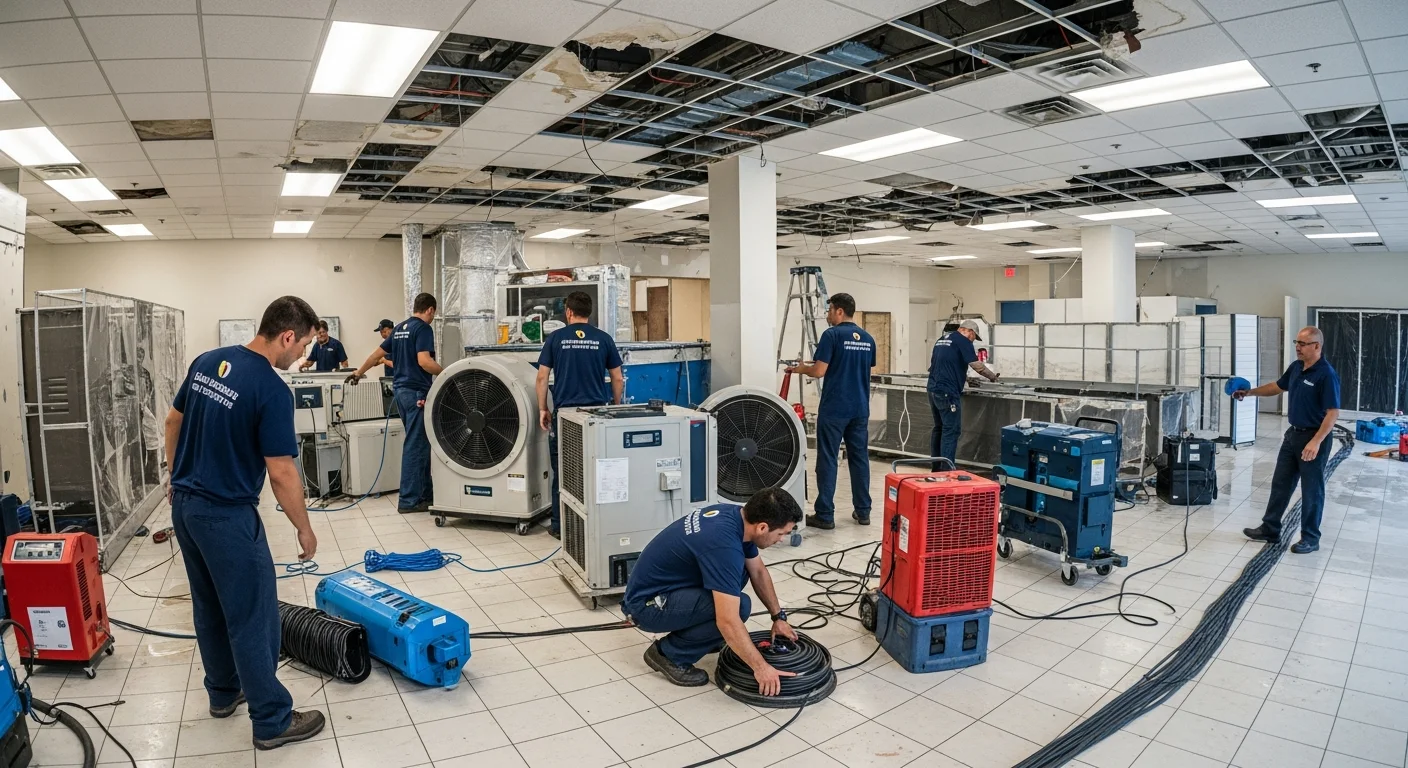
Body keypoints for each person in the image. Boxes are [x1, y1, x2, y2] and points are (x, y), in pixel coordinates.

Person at [164, 296, 325, 750]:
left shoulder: (207, 362)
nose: (303, 354)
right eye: (304, 345)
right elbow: (282, 472)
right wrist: (304, 527)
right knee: (253, 615)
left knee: (210, 605)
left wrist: (175, 476)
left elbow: (172, 422)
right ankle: (272, 719)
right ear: (287, 336)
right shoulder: (272, 389)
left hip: (186, 510)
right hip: (226, 516)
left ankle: (223, 693)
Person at [624, 487, 803, 692]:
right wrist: (761, 668)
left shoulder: (738, 518)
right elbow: (728, 620)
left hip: (666, 589)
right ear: (763, 527)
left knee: (741, 574)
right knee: (739, 608)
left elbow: (758, 571)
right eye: (781, 534)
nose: (781, 540)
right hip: (646, 607)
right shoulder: (724, 546)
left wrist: (778, 617)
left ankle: (704, 637)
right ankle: (669, 654)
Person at [1235, 326, 1340, 554]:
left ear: (1316, 346)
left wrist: (1316, 442)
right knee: (1281, 484)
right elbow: (1277, 386)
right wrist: (1249, 392)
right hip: (1293, 435)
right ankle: (1270, 528)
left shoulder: (1326, 374)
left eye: (1303, 344)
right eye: (1296, 342)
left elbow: (1333, 413)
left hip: (1313, 438)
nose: (1297, 347)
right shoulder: (1296, 367)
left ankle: (1310, 538)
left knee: (1312, 490)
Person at [536, 291, 624, 538]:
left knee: (563, 469)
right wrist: (615, 405)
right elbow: (617, 377)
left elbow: (542, 377)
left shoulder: (556, 338)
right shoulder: (604, 339)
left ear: (568, 311)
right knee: (596, 469)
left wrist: (543, 408)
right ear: (589, 312)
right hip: (596, 415)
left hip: (566, 415)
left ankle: (560, 526)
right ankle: (595, 524)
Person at [786, 293, 876, 529]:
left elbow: (819, 371)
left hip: (835, 407)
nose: (827, 315)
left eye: (829, 310)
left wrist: (801, 369)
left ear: (839, 311)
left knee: (828, 458)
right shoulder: (868, 339)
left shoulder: (832, 335)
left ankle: (825, 515)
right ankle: (863, 511)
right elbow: (857, 367)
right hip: (860, 408)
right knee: (859, 459)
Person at [347, 294, 442, 513]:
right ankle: (409, 500)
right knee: (416, 445)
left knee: (420, 443)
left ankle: (425, 495)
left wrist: (358, 372)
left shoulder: (399, 329)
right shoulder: (423, 329)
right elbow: (424, 362)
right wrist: (447, 373)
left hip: (400, 393)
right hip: (417, 392)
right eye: (433, 313)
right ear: (430, 310)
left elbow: (375, 355)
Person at [927, 319, 1000, 469]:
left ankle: (936, 469)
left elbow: (941, 365)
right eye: (974, 337)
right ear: (970, 332)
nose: (973, 340)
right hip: (948, 392)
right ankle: (947, 471)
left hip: (933, 389)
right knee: (951, 430)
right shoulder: (963, 341)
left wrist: (964, 377)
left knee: (939, 428)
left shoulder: (942, 340)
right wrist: (993, 377)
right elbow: (977, 365)